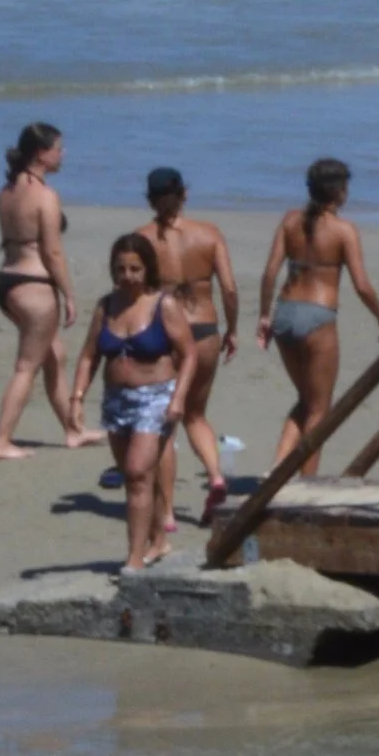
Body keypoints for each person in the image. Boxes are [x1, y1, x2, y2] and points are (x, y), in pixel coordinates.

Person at [63, 230, 197, 571]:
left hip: (156, 397)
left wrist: (179, 398)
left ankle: (134, 557)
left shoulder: (163, 304)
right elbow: (88, 356)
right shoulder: (106, 306)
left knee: (137, 472)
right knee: (134, 475)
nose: (128, 276)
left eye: (135, 269)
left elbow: (189, 354)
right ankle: (158, 540)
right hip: (116, 400)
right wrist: (76, 398)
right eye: (121, 269)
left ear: (147, 269)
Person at [257, 159, 379, 474]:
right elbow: (362, 286)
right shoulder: (344, 231)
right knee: (320, 410)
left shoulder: (290, 221)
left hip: (285, 312)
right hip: (318, 317)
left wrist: (265, 316)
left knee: (305, 400)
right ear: (341, 192)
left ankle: (278, 467)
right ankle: (306, 483)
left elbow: (269, 273)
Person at [142, 164, 239, 524]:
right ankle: (215, 476)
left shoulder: (142, 239)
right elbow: (229, 288)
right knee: (195, 414)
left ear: (151, 199)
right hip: (204, 328)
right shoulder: (209, 234)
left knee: (165, 421)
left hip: (166, 333)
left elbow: (136, 292)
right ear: (184, 193)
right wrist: (231, 329)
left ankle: (166, 513)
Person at [0, 122, 86, 458]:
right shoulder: (45, 196)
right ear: (41, 154)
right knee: (26, 366)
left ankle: (73, 431)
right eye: (59, 147)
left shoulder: (7, 191)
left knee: (54, 354)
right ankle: (1, 440)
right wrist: (69, 295)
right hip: (35, 286)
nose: (63, 153)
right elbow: (53, 252)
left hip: (7, 282)